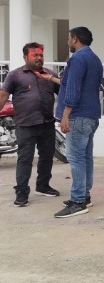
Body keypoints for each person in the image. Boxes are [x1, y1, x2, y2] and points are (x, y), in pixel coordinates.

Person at [0, 42, 60, 207]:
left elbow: (63, 92)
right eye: (35, 55)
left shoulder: (50, 75)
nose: (39, 58)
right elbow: (3, 95)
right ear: (25, 57)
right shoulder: (15, 75)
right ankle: (21, 192)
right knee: (25, 159)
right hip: (26, 125)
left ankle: (43, 186)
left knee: (47, 157)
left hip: (47, 123)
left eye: (41, 55)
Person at [54, 27, 104, 218]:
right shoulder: (94, 59)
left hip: (78, 115)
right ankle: (84, 195)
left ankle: (78, 201)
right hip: (91, 115)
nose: (68, 41)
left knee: (76, 158)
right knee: (85, 157)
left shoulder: (77, 59)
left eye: (69, 38)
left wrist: (65, 115)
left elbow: (73, 89)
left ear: (75, 39)